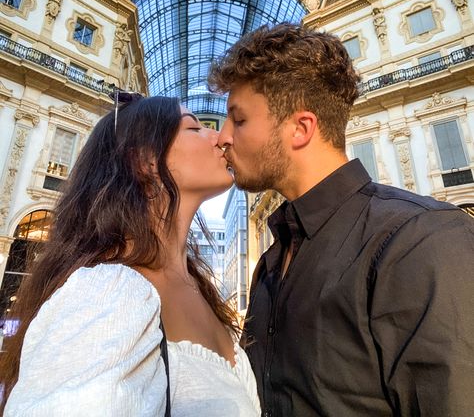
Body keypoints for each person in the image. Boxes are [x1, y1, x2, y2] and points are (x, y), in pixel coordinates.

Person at [208, 23, 474, 417]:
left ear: (301, 128)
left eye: (239, 119)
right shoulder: (270, 263)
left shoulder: (420, 241)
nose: (222, 137)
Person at [1, 94, 260, 416]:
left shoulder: (200, 289)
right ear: (145, 160)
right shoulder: (109, 291)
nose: (221, 137)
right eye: (194, 128)